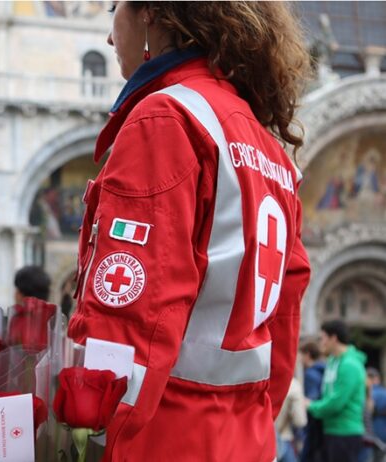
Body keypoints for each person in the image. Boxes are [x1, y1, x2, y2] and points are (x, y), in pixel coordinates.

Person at [67, 2, 311, 461]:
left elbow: (130, 318)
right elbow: (284, 324)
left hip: (162, 438)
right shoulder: (269, 151)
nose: (108, 37)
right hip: (245, 441)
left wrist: (94, 441)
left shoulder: (167, 118)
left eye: (114, 9)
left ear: (151, 13)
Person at [307, 319, 367, 462]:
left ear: (333, 338)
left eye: (323, 338)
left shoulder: (350, 365)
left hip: (345, 433)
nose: (321, 343)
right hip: (331, 431)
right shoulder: (333, 361)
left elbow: (336, 403)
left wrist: (310, 406)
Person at [299, 341, 326, 462]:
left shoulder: (310, 373)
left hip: (313, 425)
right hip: (324, 424)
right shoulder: (323, 370)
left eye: (301, 355)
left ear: (307, 354)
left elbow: (311, 400)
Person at [276, 377, 308, 462]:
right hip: (283, 438)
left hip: (261, 442)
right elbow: (300, 421)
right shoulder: (293, 385)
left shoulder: (258, 382)